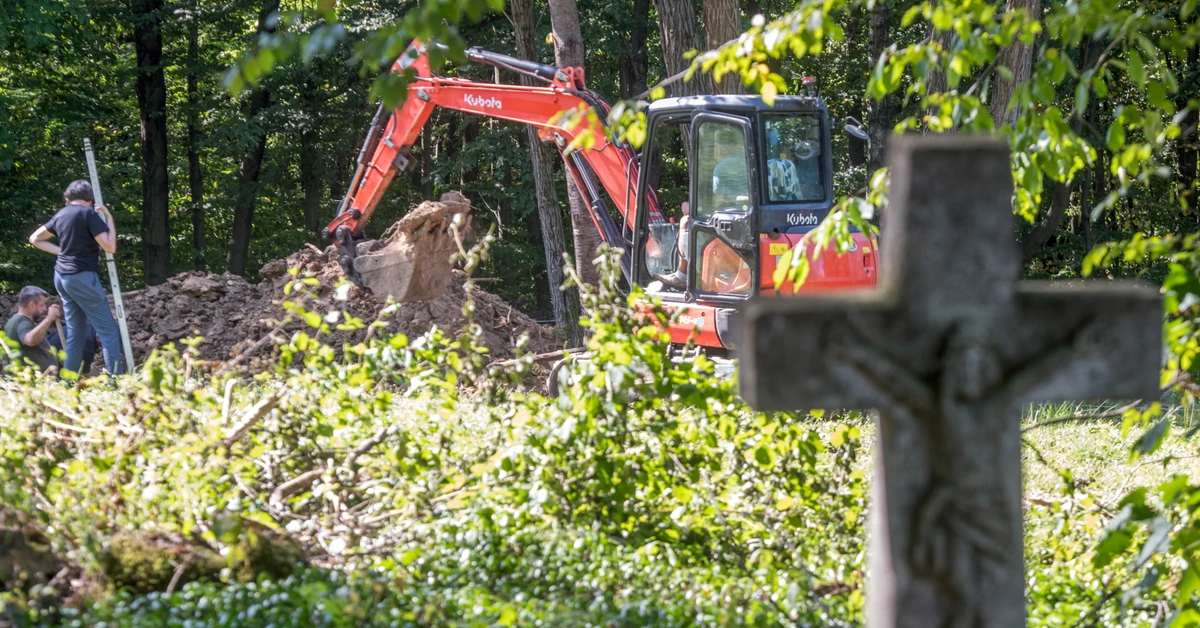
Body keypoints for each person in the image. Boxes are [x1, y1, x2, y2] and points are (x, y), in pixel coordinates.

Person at [28, 180, 125, 376]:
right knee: (108, 332)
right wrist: (109, 219)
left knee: (75, 334)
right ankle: (117, 380)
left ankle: (68, 380)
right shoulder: (88, 214)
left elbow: (35, 239)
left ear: (67, 199)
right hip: (82, 277)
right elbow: (110, 247)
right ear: (90, 200)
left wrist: (62, 252)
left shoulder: (61, 214)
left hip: (62, 277)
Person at [3, 286, 62, 375]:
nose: (45, 309)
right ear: (31, 305)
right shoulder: (21, 321)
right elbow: (30, 340)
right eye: (42, 305)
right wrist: (48, 319)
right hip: (31, 383)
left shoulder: (16, 321)